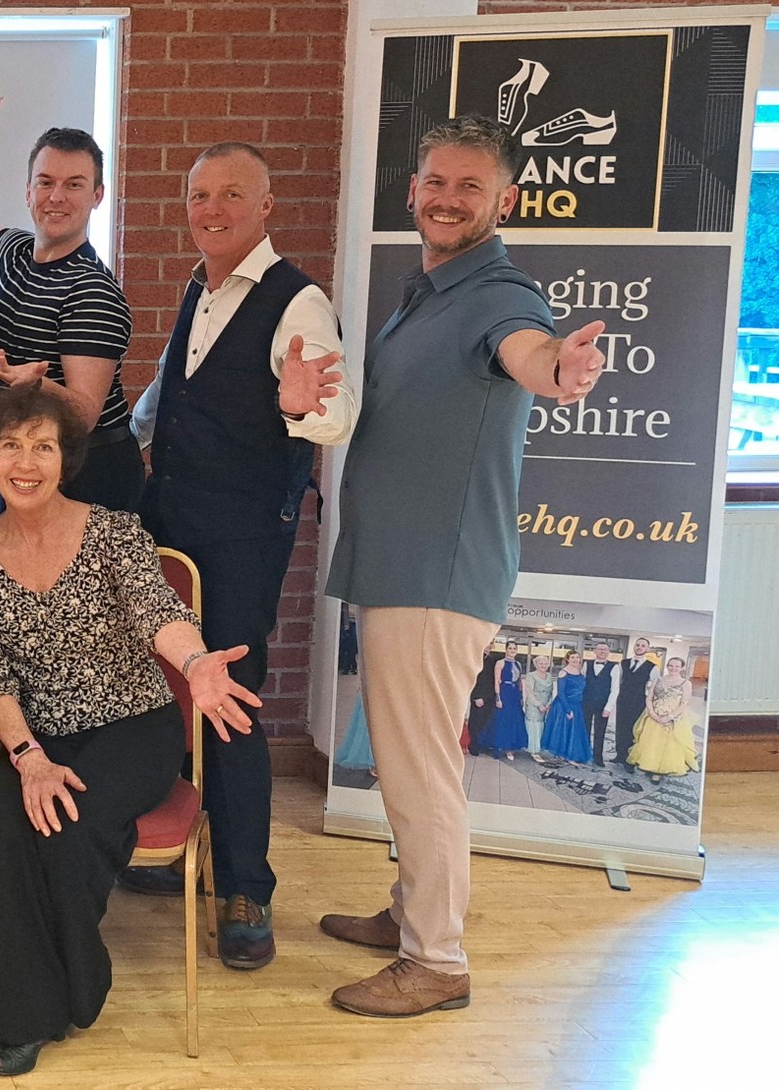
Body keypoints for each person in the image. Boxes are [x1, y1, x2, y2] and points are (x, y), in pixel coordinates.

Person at [318, 115, 605, 1017]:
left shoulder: (497, 294)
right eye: (436, 182)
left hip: (435, 577)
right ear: (413, 190)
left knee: (419, 772)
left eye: (470, 186)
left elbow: (531, 353)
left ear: (504, 201)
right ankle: (413, 911)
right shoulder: (429, 290)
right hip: (402, 566)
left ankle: (435, 960)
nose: (448, 199)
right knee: (411, 759)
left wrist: (560, 370)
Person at [0, 385, 261, 1076]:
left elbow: (159, 611)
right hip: (36, 737)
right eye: (10, 446)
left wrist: (195, 662)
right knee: (6, 823)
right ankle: (77, 975)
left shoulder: (115, 532)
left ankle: (30, 1013)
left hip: (134, 726)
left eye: (42, 446)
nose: (25, 462)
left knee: (73, 828)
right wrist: (28, 757)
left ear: (65, 458)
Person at [114, 141, 356, 970]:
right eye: (199, 196)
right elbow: (168, 392)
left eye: (230, 194)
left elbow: (336, 416)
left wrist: (300, 407)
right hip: (169, 522)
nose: (211, 210)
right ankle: (184, 845)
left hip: (244, 537)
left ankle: (246, 887)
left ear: (266, 206)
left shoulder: (299, 301)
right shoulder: (200, 287)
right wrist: (116, 444)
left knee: (232, 702)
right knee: (170, 688)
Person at [0, 84, 139, 512]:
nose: (56, 197)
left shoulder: (92, 290)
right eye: (45, 183)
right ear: (28, 192)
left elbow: (85, 413)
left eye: (74, 185)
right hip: (32, 462)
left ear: (97, 196)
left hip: (92, 473)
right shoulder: (15, 252)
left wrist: (37, 386)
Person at [628, 657, 699, 783]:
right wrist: (652, 713)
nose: (673, 668)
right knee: (651, 742)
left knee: (666, 745)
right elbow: (649, 698)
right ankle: (649, 764)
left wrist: (669, 717)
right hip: (654, 716)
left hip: (672, 719)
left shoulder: (685, 683)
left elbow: (684, 703)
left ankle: (658, 771)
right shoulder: (658, 680)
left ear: (682, 668)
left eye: (677, 666)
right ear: (667, 666)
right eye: (671, 665)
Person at [612, 638, 658, 770]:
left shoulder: (652, 666)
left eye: (643, 645)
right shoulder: (623, 663)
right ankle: (620, 755)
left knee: (634, 730)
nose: (639, 647)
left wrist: (652, 703)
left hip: (638, 702)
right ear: (634, 647)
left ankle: (630, 760)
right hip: (623, 700)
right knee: (620, 728)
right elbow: (618, 681)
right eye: (637, 645)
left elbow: (655, 686)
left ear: (647, 649)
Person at [539, 652, 592, 764]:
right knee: (564, 731)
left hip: (577, 706)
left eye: (577, 657)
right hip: (564, 706)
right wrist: (568, 710)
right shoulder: (563, 672)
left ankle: (570, 755)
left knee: (574, 732)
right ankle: (563, 755)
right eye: (572, 657)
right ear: (567, 659)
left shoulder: (580, 672)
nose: (575, 659)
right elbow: (561, 693)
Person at [582, 641, 620, 767]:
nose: (602, 651)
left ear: (608, 652)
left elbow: (615, 688)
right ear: (595, 651)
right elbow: (581, 683)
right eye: (600, 649)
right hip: (586, 702)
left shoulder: (614, 667)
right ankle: (584, 754)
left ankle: (598, 757)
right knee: (584, 729)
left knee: (600, 731)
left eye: (605, 649)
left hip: (603, 704)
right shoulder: (586, 664)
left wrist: (609, 707)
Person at [464, 649, 501, 756]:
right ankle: (473, 746)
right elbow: (471, 678)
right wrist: (475, 697)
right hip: (478, 696)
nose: (490, 645)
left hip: (490, 696)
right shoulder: (475, 657)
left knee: (486, 721)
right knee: (476, 722)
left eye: (492, 642)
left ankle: (483, 745)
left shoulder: (494, 659)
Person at [522, 654, 555, 761]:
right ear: (535, 664)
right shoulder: (531, 675)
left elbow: (551, 692)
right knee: (534, 726)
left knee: (541, 725)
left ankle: (539, 747)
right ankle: (533, 750)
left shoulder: (549, 676)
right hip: (534, 704)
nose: (543, 665)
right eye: (541, 663)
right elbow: (529, 692)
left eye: (545, 663)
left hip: (545, 705)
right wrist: (538, 705)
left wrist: (548, 704)